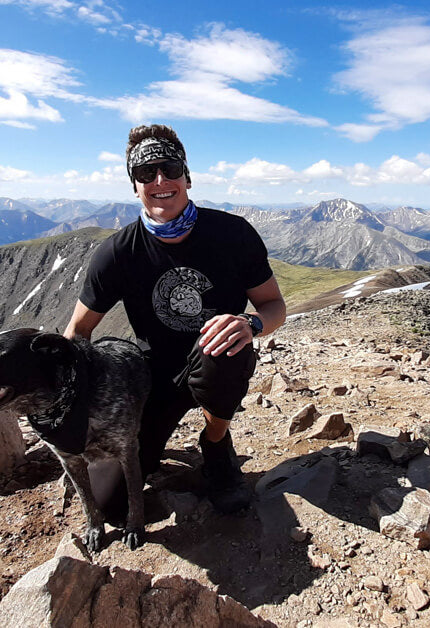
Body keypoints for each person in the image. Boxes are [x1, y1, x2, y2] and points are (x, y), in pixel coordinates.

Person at [64, 124, 286, 514]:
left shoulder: (233, 234)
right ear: (135, 186)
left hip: (217, 362)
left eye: (169, 168)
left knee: (223, 346)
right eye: (145, 173)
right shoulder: (118, 253)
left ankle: (215, 444)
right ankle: (152, 442)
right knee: (110, 505)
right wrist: (74, 403)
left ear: (187, 177)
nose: (160, 181)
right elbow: (79, 331)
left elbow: (273, 307)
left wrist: (250, 325)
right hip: (150, 379)